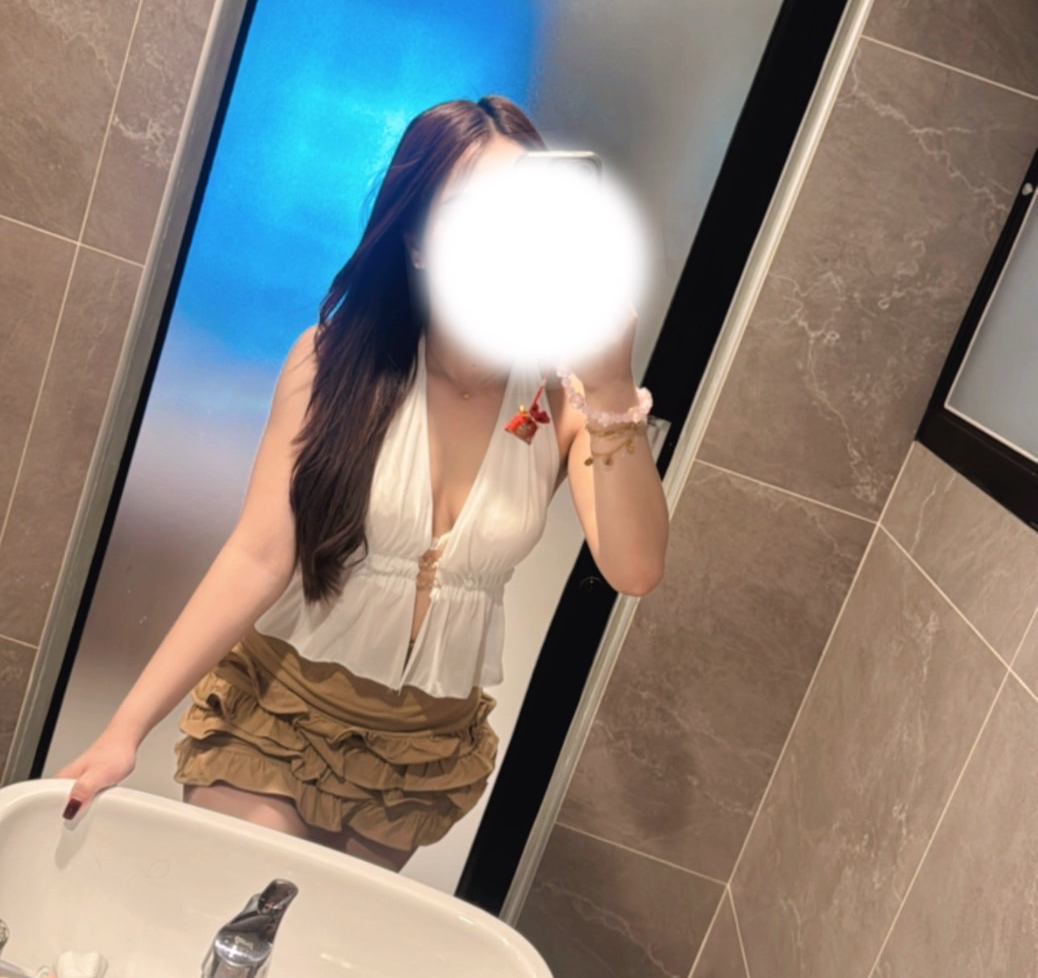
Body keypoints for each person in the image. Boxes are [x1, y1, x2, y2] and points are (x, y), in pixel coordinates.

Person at [56, 96, 669, 871]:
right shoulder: (331, 362)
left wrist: (611, 387)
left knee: (316, 941)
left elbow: (634, 568)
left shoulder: (565, 402)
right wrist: (125, 731)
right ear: (416, 240)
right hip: (280, 712)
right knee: (232, 912)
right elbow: (258, 555)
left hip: (417, 754)